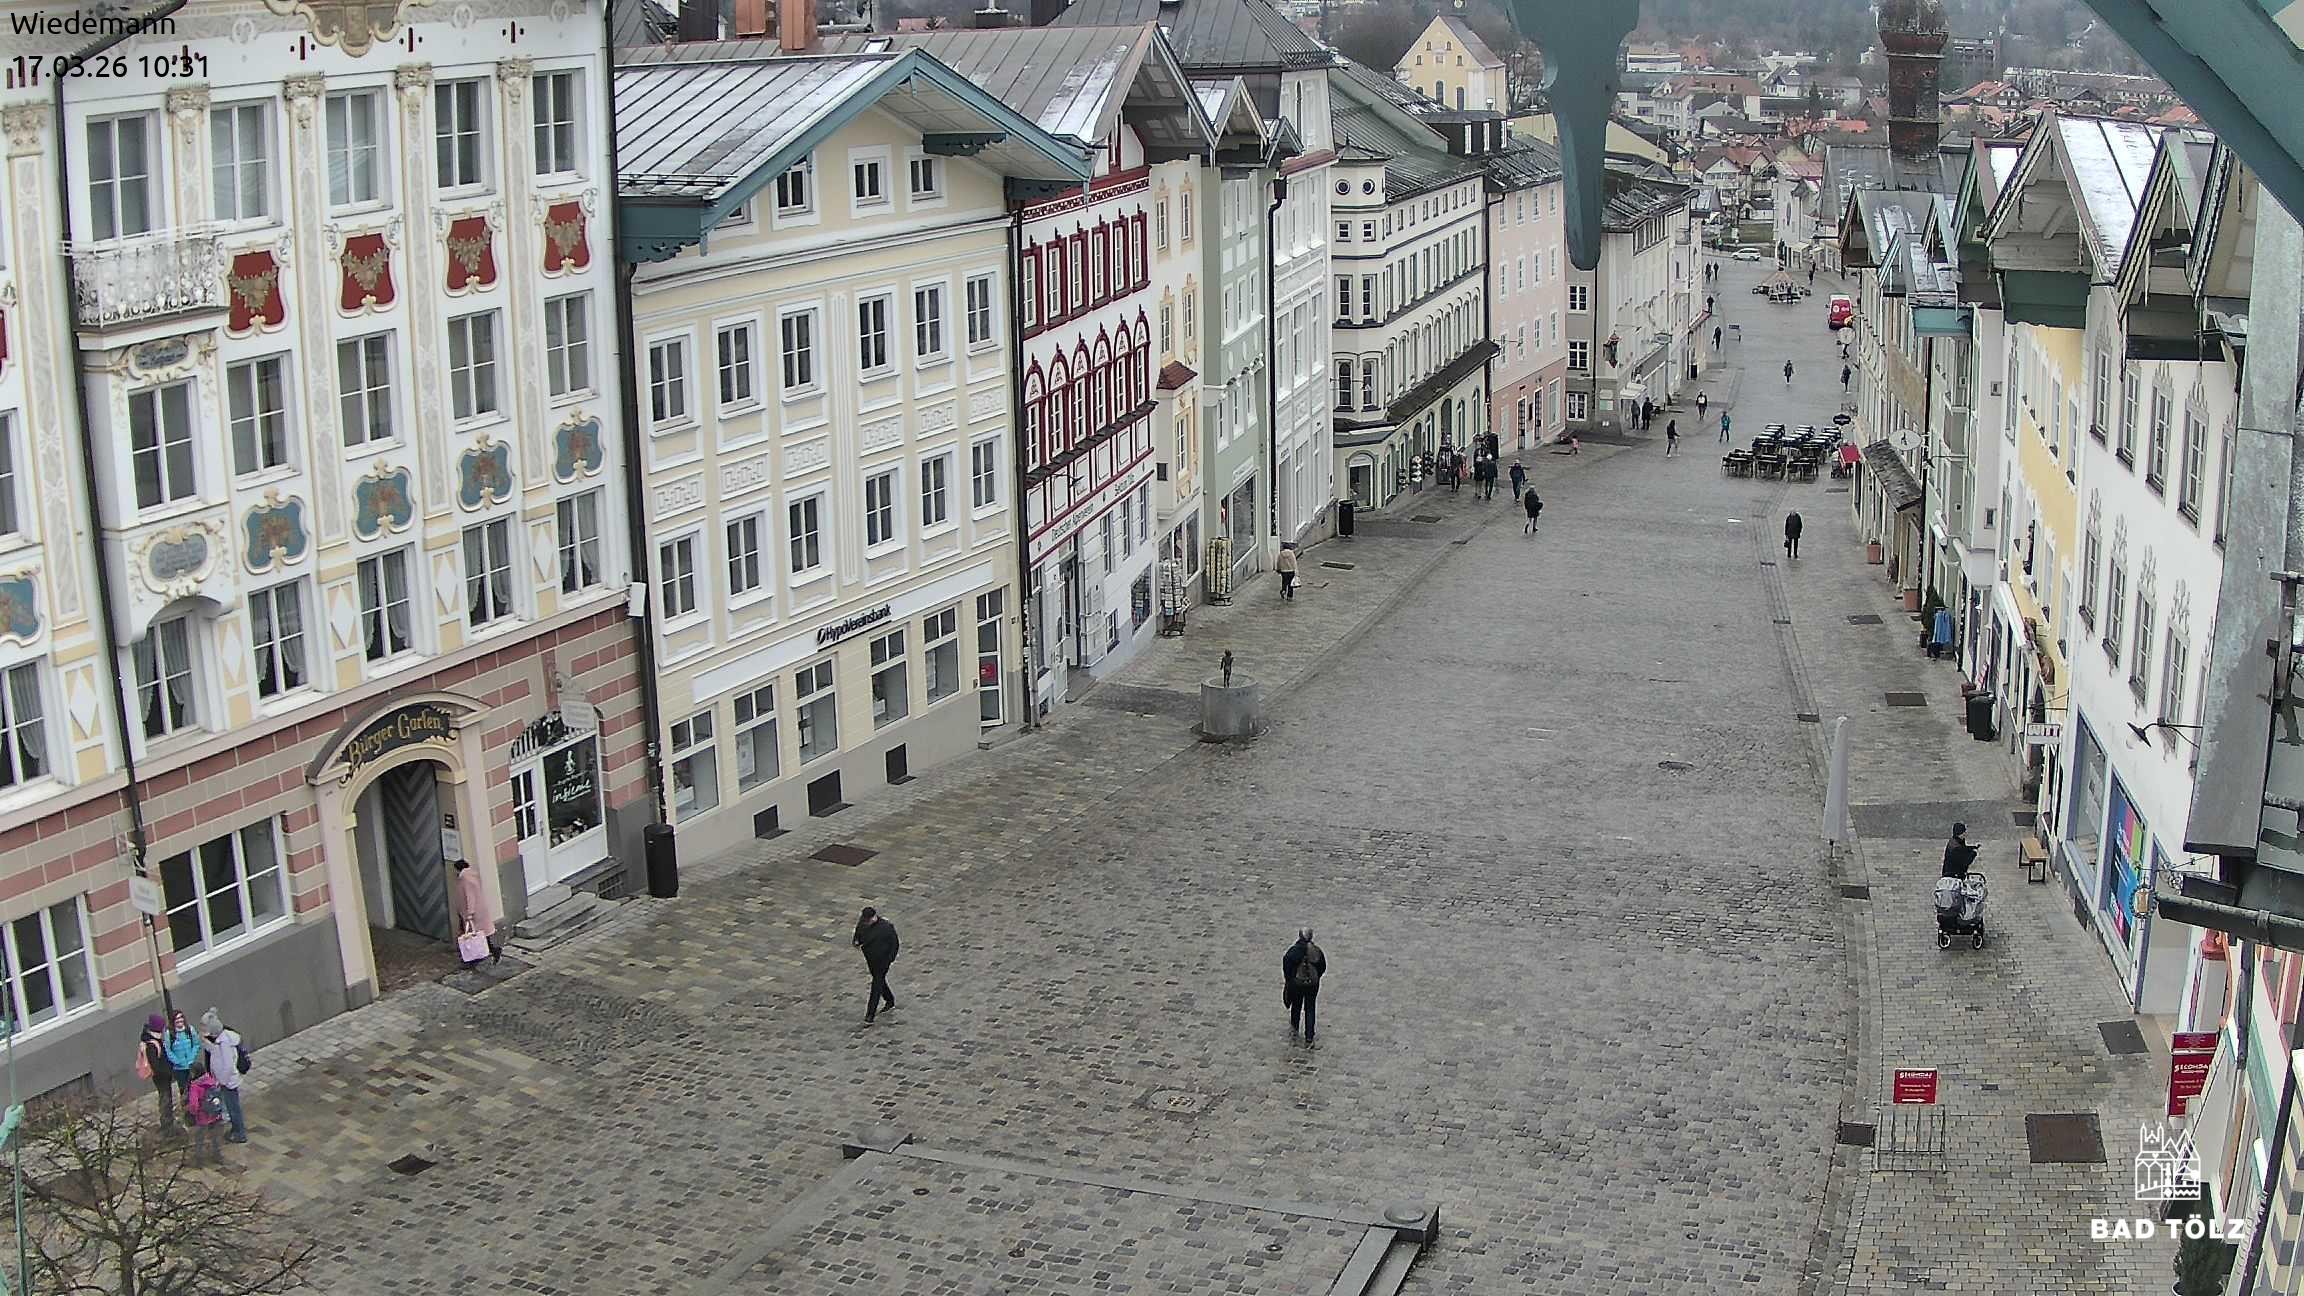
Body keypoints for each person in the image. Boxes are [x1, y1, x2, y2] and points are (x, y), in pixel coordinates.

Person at [199, 1008, 247, 1144]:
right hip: (225, 1081)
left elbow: (227, 1065)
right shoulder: (220, 1040)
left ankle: (239, 1132)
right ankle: (236, 1129)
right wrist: (204, 1041)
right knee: (232, 1106)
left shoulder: (225, 1043)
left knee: (233, 1108)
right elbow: (214, 1051)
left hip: (228, 1082)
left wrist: (222, 1081)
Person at [854, 906, 899, 1023]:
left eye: (869, 920)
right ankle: (889, 999)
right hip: (870, 959)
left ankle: (870, 1014)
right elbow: (858, 934)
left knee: (876, 985)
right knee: (879, 980)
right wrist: (857, 941)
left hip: (883, 961)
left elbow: (895, 944)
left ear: (874, 917)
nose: (867, 922)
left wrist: (890, 959)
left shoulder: (886, 927)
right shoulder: (863, 924)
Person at [1282, 929, 1326, 1042]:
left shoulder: (1294, 951)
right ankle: (1309, 1035)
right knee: (1310, 1008)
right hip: (1312, 984)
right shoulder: (1317, 951)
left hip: (1297, 983)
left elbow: (1287, 964)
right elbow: (1322, 966)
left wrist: (1290, 979)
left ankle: (1295, 1028)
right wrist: (1316, 977)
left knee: (1296, 1006)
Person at [135, 1014, 177, 1133]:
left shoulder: (152, 1039)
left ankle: (168, 1122)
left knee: (166, 1098)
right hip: (161, 1077)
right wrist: (169, 1071)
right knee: (165, 1099)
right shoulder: (152, 1045)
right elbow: (156, 1066)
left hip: (163, 1076)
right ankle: (167, 1125)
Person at [454, 859, 498, 968]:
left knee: (473, 936)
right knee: (480, 935)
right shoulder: (472, 876)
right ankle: (493, 951)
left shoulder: (465, 879)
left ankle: (473, 958)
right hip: (479, 911)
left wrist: (470, 913)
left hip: (474, 914)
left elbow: (470, 897)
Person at [184, 1072, 226, 1167]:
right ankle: (217, 1156)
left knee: (200, 1139)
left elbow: (194, 1105)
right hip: (215, 1115)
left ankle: (199, 1161)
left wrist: (192, 1113)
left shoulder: (195, 1086)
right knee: (215, 1137)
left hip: (203, 1117)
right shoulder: (211, 1080)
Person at [163, 1010, 201, 1108]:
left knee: (195, 1089)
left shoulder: (190, 1030)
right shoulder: (169, 1034)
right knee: (184, 1092)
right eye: (177, 1019)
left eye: (181, 1018)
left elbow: (196, 1044)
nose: (179, 1020)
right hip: (179, 1069)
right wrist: (177, 1061)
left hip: (191, 1065)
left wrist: (191, 1058)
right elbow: (168, 1050)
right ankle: (187, 1112)